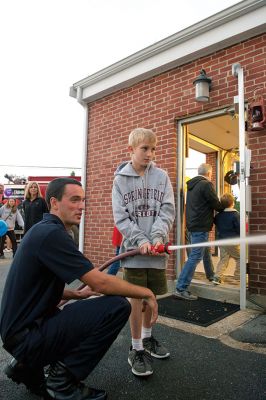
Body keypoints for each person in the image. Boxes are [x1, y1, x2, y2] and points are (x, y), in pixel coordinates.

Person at [0, 178, 158, 400]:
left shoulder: (44, 230)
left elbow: (36, 287)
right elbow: (100, 282)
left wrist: (76, 294)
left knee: (82, 311)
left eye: (83, 200)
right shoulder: (52, 235)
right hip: (27, 337)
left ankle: (24, 366)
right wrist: (146, 292)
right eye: (74, 200)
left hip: (19, 334)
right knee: (117, 307)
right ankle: (61, 382)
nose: (82, 206)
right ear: (54, 203)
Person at [112, 128, 175, 377]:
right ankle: (136, 347)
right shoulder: (120, 181)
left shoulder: (162, 176)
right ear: (131, 150)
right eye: (144, 149)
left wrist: (157, 237)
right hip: (134, 253)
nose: (150, 153)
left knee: (152, 297)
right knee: (136, 299)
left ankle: (148, 339)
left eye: (153, 149)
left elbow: (168, 209)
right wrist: (139, 240)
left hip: (156, 252)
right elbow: (121, 218)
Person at [175, 163, 224, 300]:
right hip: (200, 226)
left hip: (192, 225)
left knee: (205, 250)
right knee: (196, 256)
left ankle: (210, 274)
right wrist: (227, 206)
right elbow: (216, 204)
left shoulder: (191, 186)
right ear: (209, 173)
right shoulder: (206, 184)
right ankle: (181, 288)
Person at [213, 193, 240, 284]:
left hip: (221, 241)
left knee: (223, 259)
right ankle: (239, 276)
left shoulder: (218, 215)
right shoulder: (235, 215)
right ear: (233, 203)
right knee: (240, 258)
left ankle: (217, 277)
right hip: (233, 242)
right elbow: (239, 228)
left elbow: (217, 223)